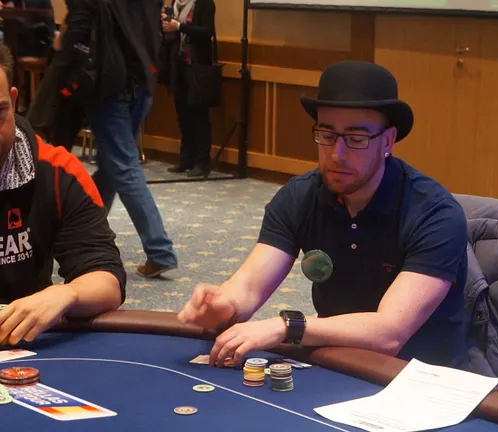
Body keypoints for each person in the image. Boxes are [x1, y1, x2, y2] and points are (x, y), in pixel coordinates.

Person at [178, 60, 469, 369]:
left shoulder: (435, 214)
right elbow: (248, 287)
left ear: (387, 141)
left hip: (420, 377)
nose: (337, 154)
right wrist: (223, 305)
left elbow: (389, 333)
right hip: (339, 364)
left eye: (356, 139)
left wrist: (287, 326)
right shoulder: (299, 196)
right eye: (327, 134)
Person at [0, 44, 126, 345]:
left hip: (18, 346)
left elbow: (106, 278)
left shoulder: (58, 171)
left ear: (14, 102)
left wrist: (67, 293)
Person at [62, 0, 178, 277]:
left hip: (108, 83)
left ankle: (159, 250)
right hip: (142, 80)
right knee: (112, 166)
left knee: (123, 166)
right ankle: (86, 229)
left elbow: (77, 33)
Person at [160, 0, 215, 177]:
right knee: (183, 115)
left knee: (198, 115)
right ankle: (186, 159)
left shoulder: (204, 3)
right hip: (178, 66)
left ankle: (202, 161)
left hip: (196, 66)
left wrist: (179, 27)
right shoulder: (176, 2)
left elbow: (207, 31)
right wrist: (166, 24)